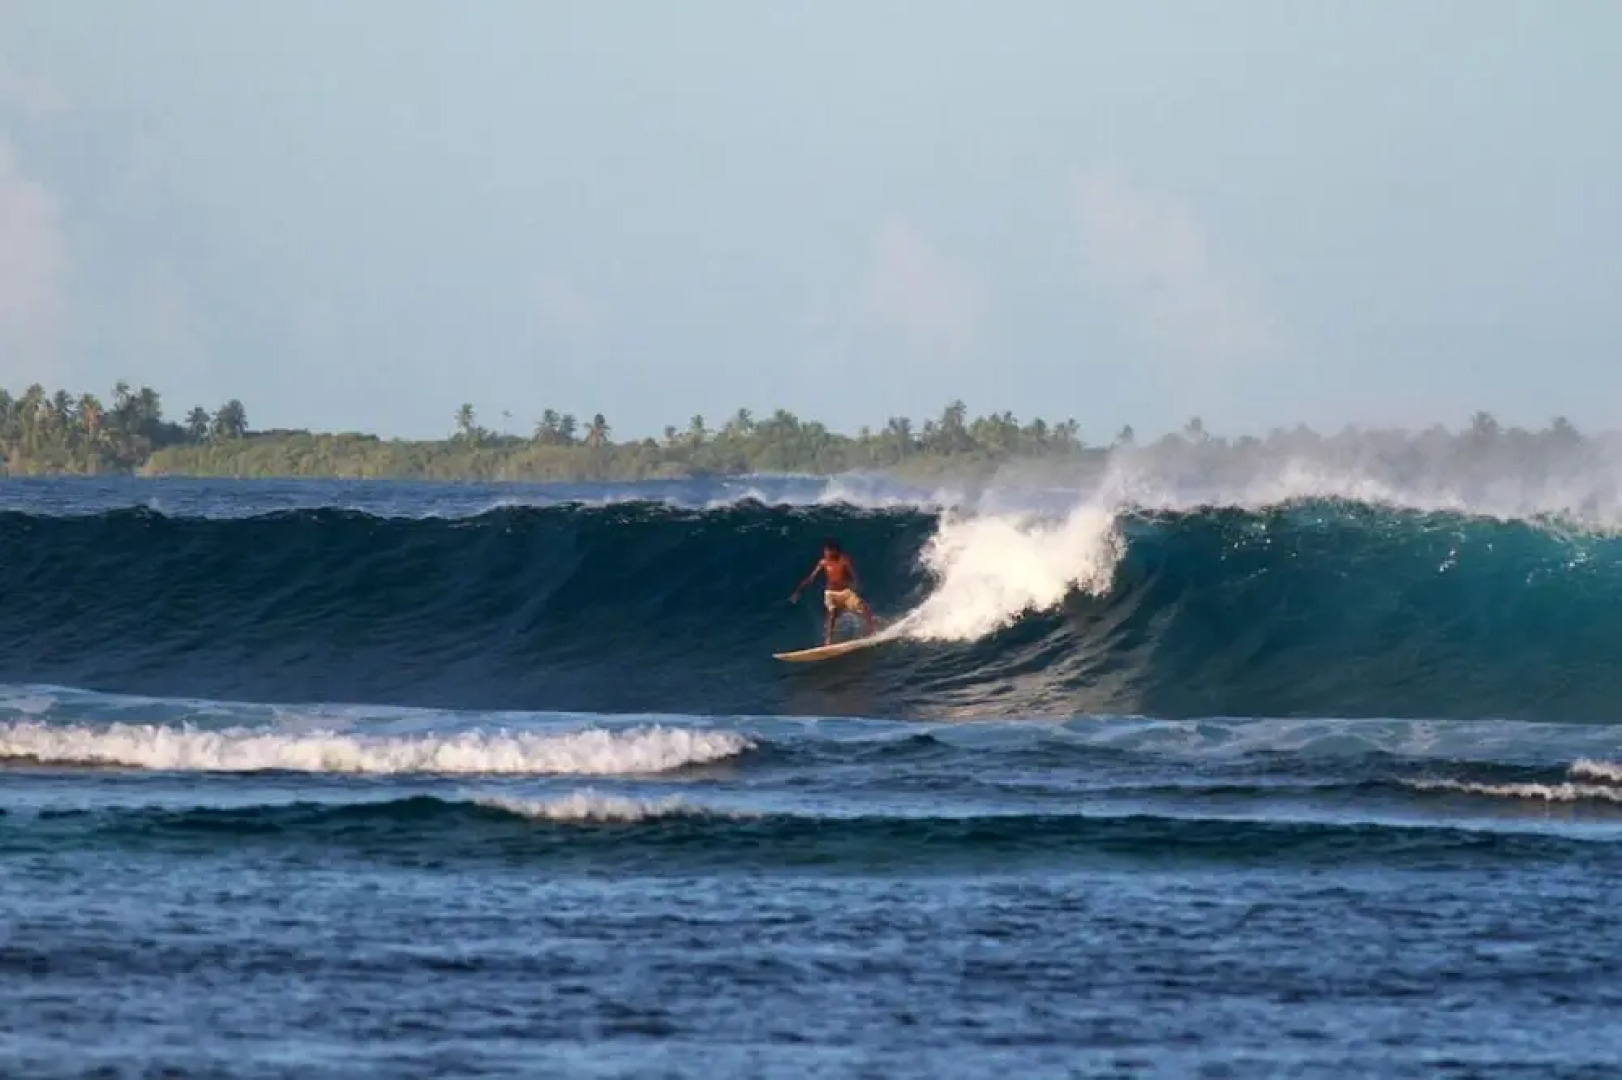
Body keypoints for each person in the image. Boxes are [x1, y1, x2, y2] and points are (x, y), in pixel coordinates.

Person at [790, 538, 877, 645]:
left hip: (845, 592)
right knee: (832, 611)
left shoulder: (843, 559)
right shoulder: (823, 562)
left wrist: (856, 585)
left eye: (827, 551)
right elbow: (810, 578)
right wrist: (797, 592)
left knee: (863, 607)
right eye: (825, 551)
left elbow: (853, 575)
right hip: (830, 593)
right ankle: (828, 641)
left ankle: (872, 631)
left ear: (834, 551)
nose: (825, 553)